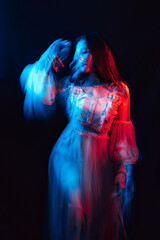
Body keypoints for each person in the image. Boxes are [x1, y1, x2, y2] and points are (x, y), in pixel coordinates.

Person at [20, 33, 139, 240]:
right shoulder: (70, 86)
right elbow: (38, 95)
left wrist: (122, 174)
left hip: (99, 164)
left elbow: (122, 137)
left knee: (97, 223)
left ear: (100, 54)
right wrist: (49, 61)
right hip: (67, 155)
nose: (79, 58)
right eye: (77, 54)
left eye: (84, 51)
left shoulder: (120, 91)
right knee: (73, 216)